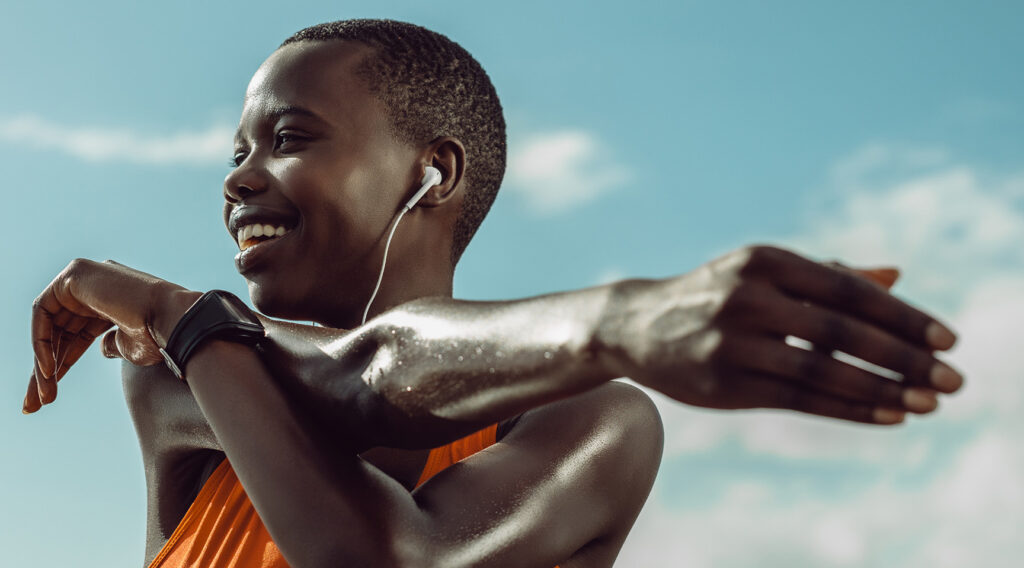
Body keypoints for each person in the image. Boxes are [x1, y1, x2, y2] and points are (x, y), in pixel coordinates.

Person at [24, 19, 963, 568]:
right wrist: (182, 321)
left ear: (433, 174)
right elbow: (346, 379)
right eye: (237, 152)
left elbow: (395, 552)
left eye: (291, 137)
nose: (238, 178)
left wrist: (182, 315)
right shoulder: (178, 373)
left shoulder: (593, 420)